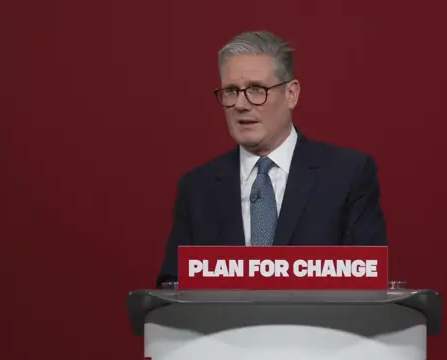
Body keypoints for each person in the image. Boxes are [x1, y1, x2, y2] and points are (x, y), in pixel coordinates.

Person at [155, 30, 387, 287]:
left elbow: (367, 286)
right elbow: (172, 289)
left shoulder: (347, 175)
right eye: (231, 91)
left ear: (291, 94)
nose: (241, 104)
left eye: (256, 89)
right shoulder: (197, 188)